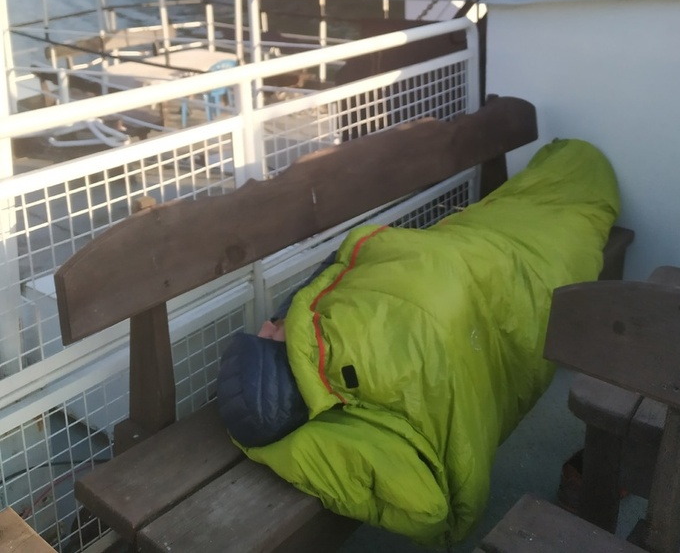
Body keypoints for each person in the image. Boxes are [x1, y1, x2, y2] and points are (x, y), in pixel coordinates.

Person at [217, 138, 621, 547]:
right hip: (483, 266)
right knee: (498, 280)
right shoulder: (332, 381)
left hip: (455, 258)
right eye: (269, 337)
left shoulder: (320, 351)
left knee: (470, 265)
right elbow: (426, 507)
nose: (267, 326)